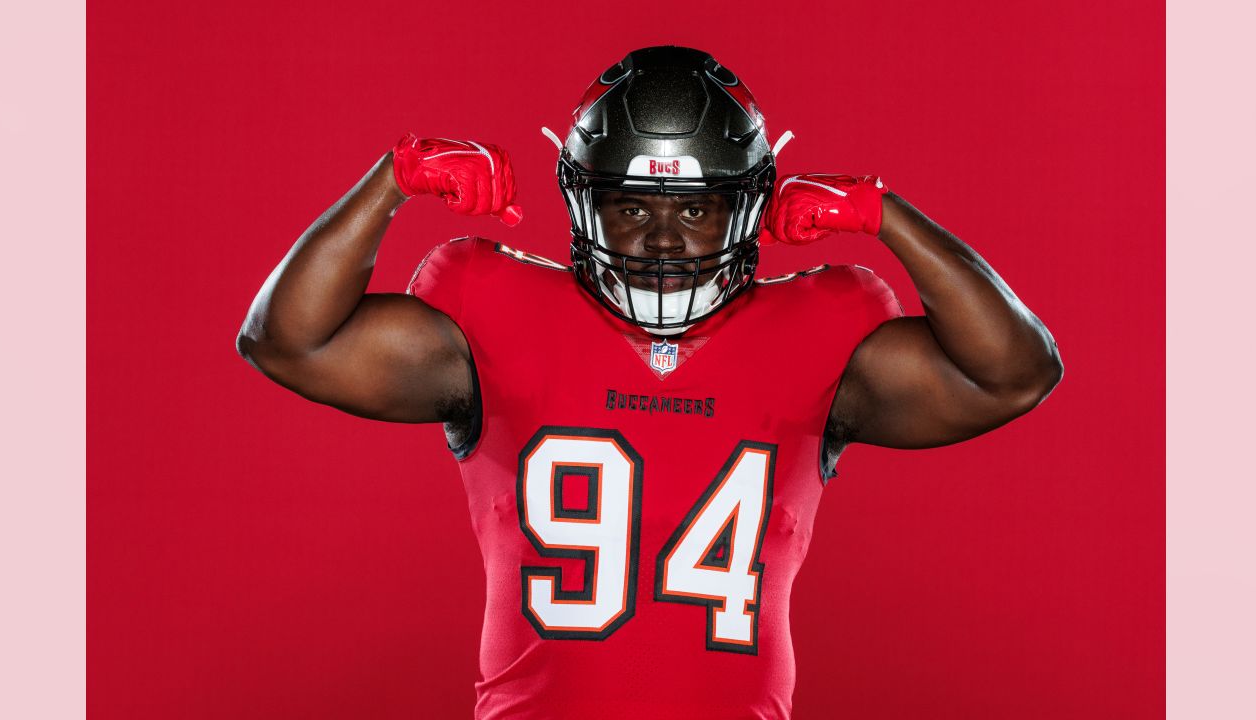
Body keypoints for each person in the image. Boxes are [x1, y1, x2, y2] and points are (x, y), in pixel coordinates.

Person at [237, 46, 1062, 720]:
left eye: (697, 208)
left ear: (745, 206)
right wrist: (392, 180)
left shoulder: (821, 330)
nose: (662, 237)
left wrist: (889, 216)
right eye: (631, 205)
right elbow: (288, 344)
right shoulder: (492, 310)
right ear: (584, 201)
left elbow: (1014, 375)